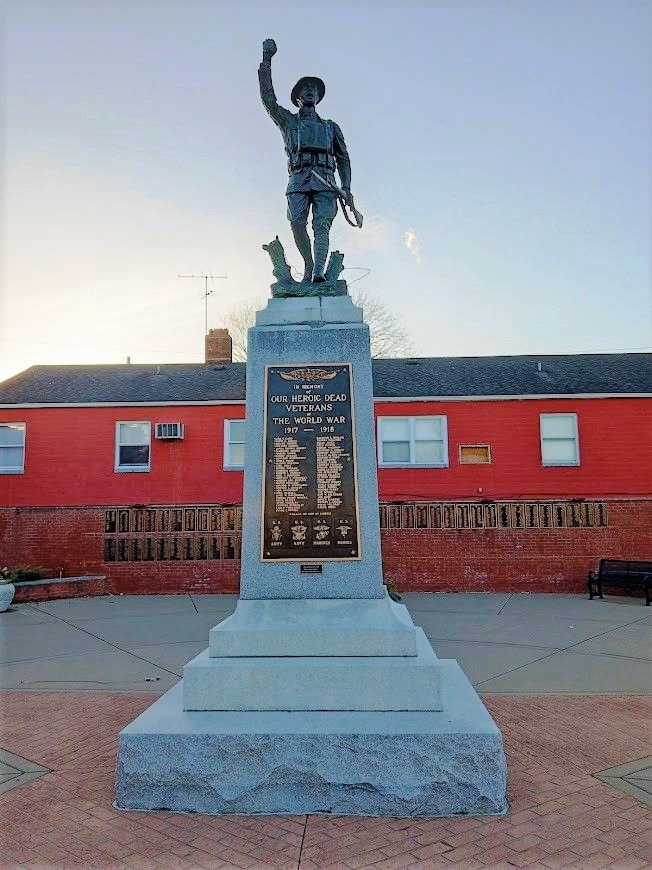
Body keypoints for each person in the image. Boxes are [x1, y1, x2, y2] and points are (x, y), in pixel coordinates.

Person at [258, 38, 354, 283]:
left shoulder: (331, 127)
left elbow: (343, 159)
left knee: (321, 224)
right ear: (297, 97)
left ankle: (319, 271)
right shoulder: (288, 121)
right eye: (305, 88)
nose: (310, 91)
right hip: (298, 178)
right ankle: (309, 265)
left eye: (314, 89)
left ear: (319, 97)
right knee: (296, 223)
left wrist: (346, 187)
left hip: (325, 180)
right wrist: (267, 60)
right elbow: (268, 99)